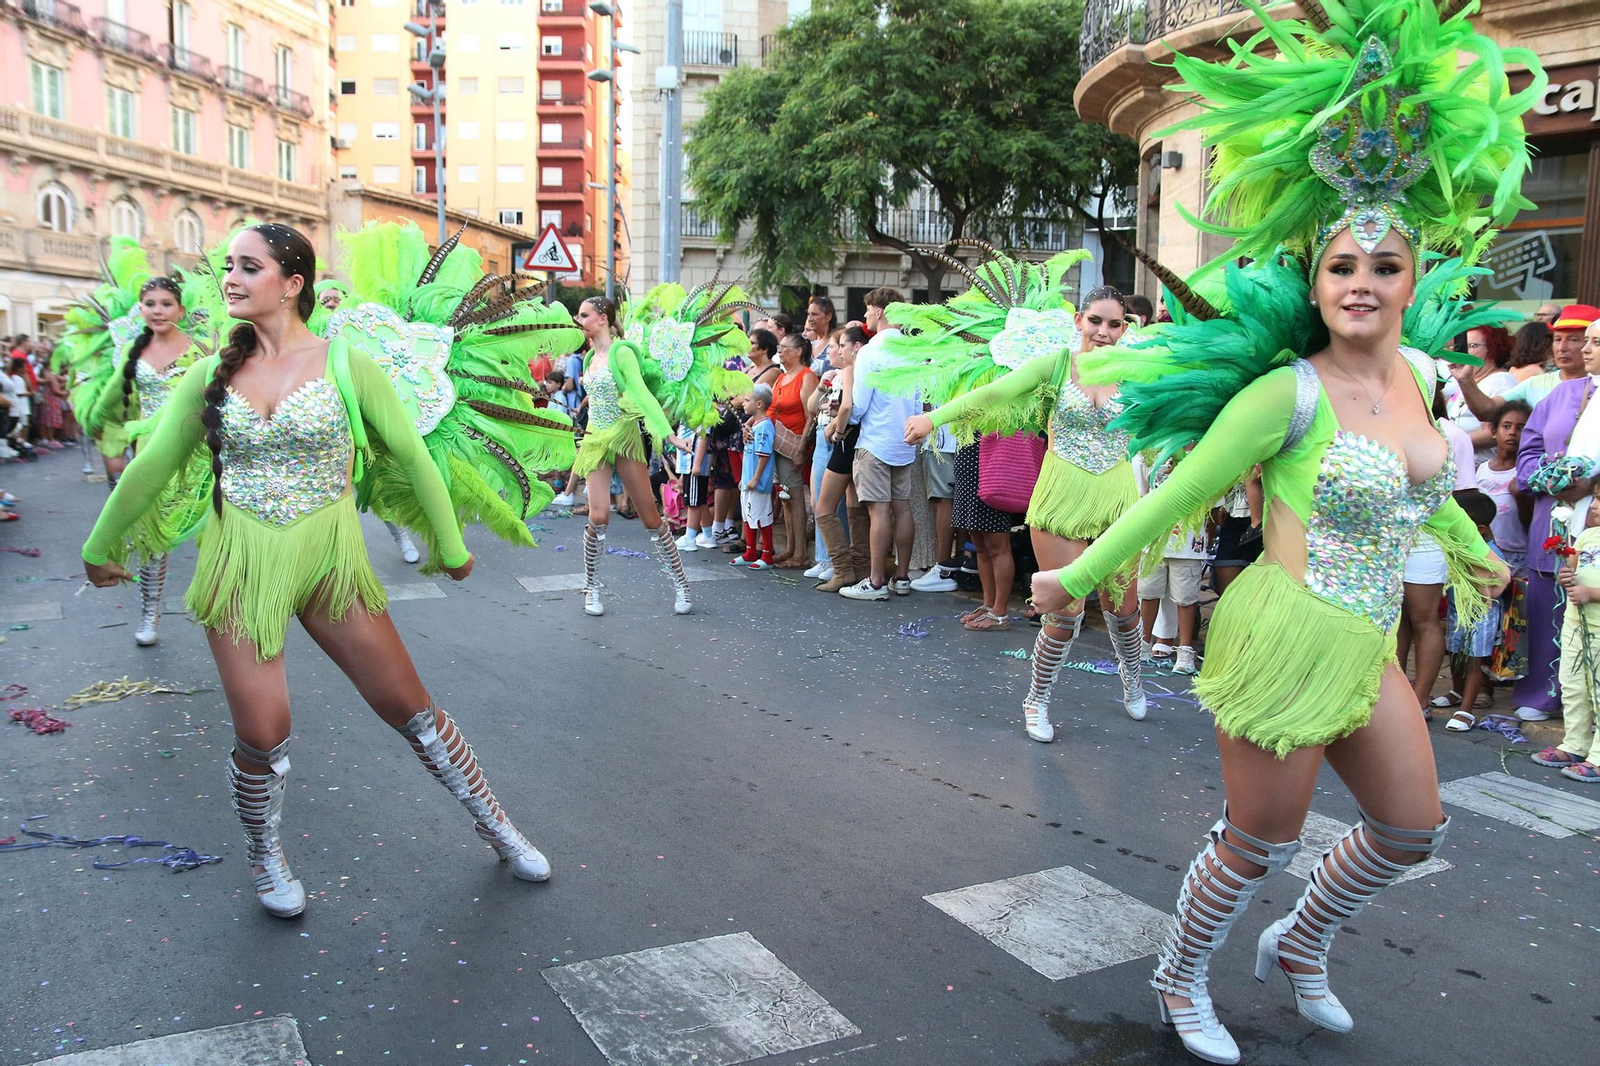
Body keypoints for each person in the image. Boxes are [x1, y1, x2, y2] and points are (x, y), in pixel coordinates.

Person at [1029, 4, 1523, 1059]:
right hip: (1279, 634)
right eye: (1342, 268)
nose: (1362, 285)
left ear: (1409, 279)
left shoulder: (1429, 379)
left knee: (1408, 828)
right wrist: (1076, 578)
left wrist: (1476, 555)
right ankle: (1178, 975)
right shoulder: (1284, 394)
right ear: (1314, 282)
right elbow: (1169, 501)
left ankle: (1301, 943)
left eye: (1383, 269)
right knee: (1260, 839)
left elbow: (1419, 487)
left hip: (1364, 641)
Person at [81, 223, 553, 918]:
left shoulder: (347, 362)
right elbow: (153, 464)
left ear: (293, 284)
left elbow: (413, 456)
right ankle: (265, 855)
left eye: (249, 267)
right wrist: (100, 546)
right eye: (229, 268)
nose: (231, 280)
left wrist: (450, 546)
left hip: (331, 560)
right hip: (239, 564)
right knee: (263, 731)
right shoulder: (212, 373)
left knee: (410, 708)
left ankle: (498, 825)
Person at [905, 285, 1147, 737]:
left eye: (1115, 324)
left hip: (1117, 497)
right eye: (1095, 321)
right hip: (1062, 495)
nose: (1104, 331)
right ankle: (1037, 699)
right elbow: (994, 395)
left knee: (1123, 606)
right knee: (1065, 610)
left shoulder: (1137, 372)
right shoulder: (1055, 366)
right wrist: (933, 419)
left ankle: (1131, 676)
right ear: (1079, 321)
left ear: (1124, 328)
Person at [81, 274, 208, 646]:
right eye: (150, 304)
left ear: (181, 310)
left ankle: (222, 606)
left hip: (198, 453)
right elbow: (108, 404)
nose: (158, 311)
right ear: (140, 309)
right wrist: (102, 433)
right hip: (151, 455)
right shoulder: (132, 352)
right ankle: (150, 614)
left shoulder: (200, 349)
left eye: (166, 304)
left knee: (216, 530)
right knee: (153, 539)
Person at [570, 296, 693, 617]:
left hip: (624, 437)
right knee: (598, 517)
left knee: (651, 518)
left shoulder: (622, 352)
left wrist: (668, 434)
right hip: (596, 439)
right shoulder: (587, 359)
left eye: (584, 314)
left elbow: (640, 394)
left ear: (602, 318)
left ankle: (681, 584)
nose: (578, 319)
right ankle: (591, 587)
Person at [1510, 305, 1600, 722]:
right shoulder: (1559, 395)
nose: (1576, 349)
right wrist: (1551, 480)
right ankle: (1546, 694)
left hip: (1594, 517)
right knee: (1547, 605)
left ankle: (1589, 707)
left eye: (1585, 339)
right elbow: (1527, 453)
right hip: (1555, 515)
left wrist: (1593, 486)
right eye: (1561, 339)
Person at [842, 287, 922, 601]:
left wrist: (840, 421)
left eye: (867, 311)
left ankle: (875, 581)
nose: (865, 317)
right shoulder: (912, 351)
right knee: (902, 509)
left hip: (875, 439)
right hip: (905, 438)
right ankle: (901, 576)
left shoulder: (871, 352)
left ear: (879, 310)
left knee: (878, 512)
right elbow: (920, 399)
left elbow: (859, 405)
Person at [1536, 493, 1600, 782]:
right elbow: (1573, 570)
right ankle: (1576, 743)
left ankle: (1598, 756)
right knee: (1573, 686)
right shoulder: (1588, 536)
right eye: (1595, 498)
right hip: (1575, 623)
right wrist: (1567, 577)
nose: (1594, 505)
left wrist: (1592, 594)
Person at [1437, 490, 1506, 732]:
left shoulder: (1491, 553)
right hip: (1459, 611)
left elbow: (1495, 587)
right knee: (1455, 652)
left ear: (1480, 529)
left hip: (1481, 615)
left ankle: (1466, 709)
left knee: (1474, 660)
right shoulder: (1458, 547)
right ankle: (1457, 690)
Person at [811, 325, 870, 592]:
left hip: (847, 440)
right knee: (855, 505)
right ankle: (860, 567)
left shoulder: (850, 369)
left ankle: (843, 569)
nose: (840, 350)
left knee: (824, 506)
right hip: (862, 438)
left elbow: (847, 406)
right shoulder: (869, 368)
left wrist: (837, 426)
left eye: (843, 345)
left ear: (855, 346)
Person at [769, 333, 818, 568]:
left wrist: (801, 448)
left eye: (784, 347)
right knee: (785, 498)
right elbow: (771, 409)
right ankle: (790, 548)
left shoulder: (806, 377)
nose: (780, 351)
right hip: (778, 444)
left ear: (798, 351)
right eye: (779, 347)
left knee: (796, 498)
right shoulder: (782, 377)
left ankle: (800, 554)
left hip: (795, 442)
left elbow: (811, 416)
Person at [732, 384, 777, 568]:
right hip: (748, 480)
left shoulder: (765, 426)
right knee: (748, 516)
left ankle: (767, 554)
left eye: (748, 400)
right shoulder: (755, 425)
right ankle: (750, 551)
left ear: (759, 404)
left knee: (761, 518)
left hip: (758, 482)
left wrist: (756, 478)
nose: (744, 402)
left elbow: (764, 456)